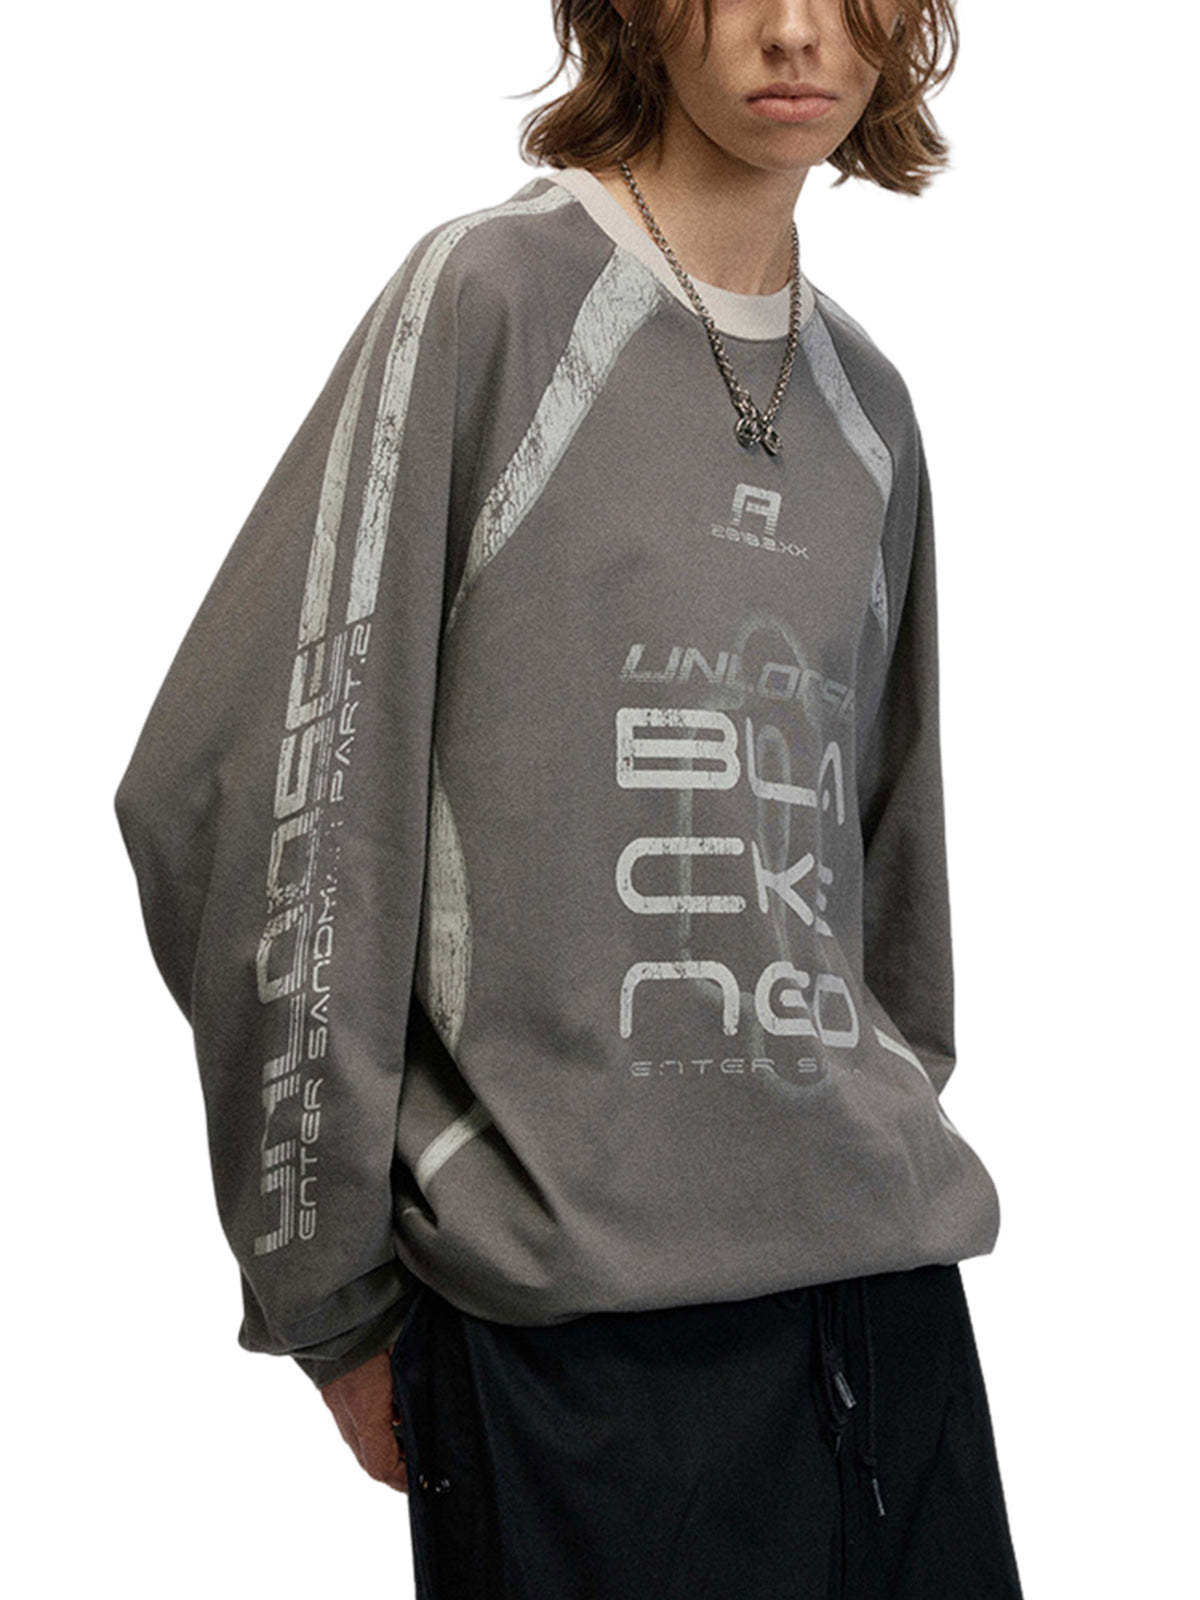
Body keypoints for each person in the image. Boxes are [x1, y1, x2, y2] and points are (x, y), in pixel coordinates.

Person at [113, 1, 1025, 1594]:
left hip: (886, 1316)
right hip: (576, 1345)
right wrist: (333, 1289)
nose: (795, 31)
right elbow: (242, 785)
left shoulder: (870, 408)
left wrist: (874, 1107)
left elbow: (890, 855)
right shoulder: (492, 301)